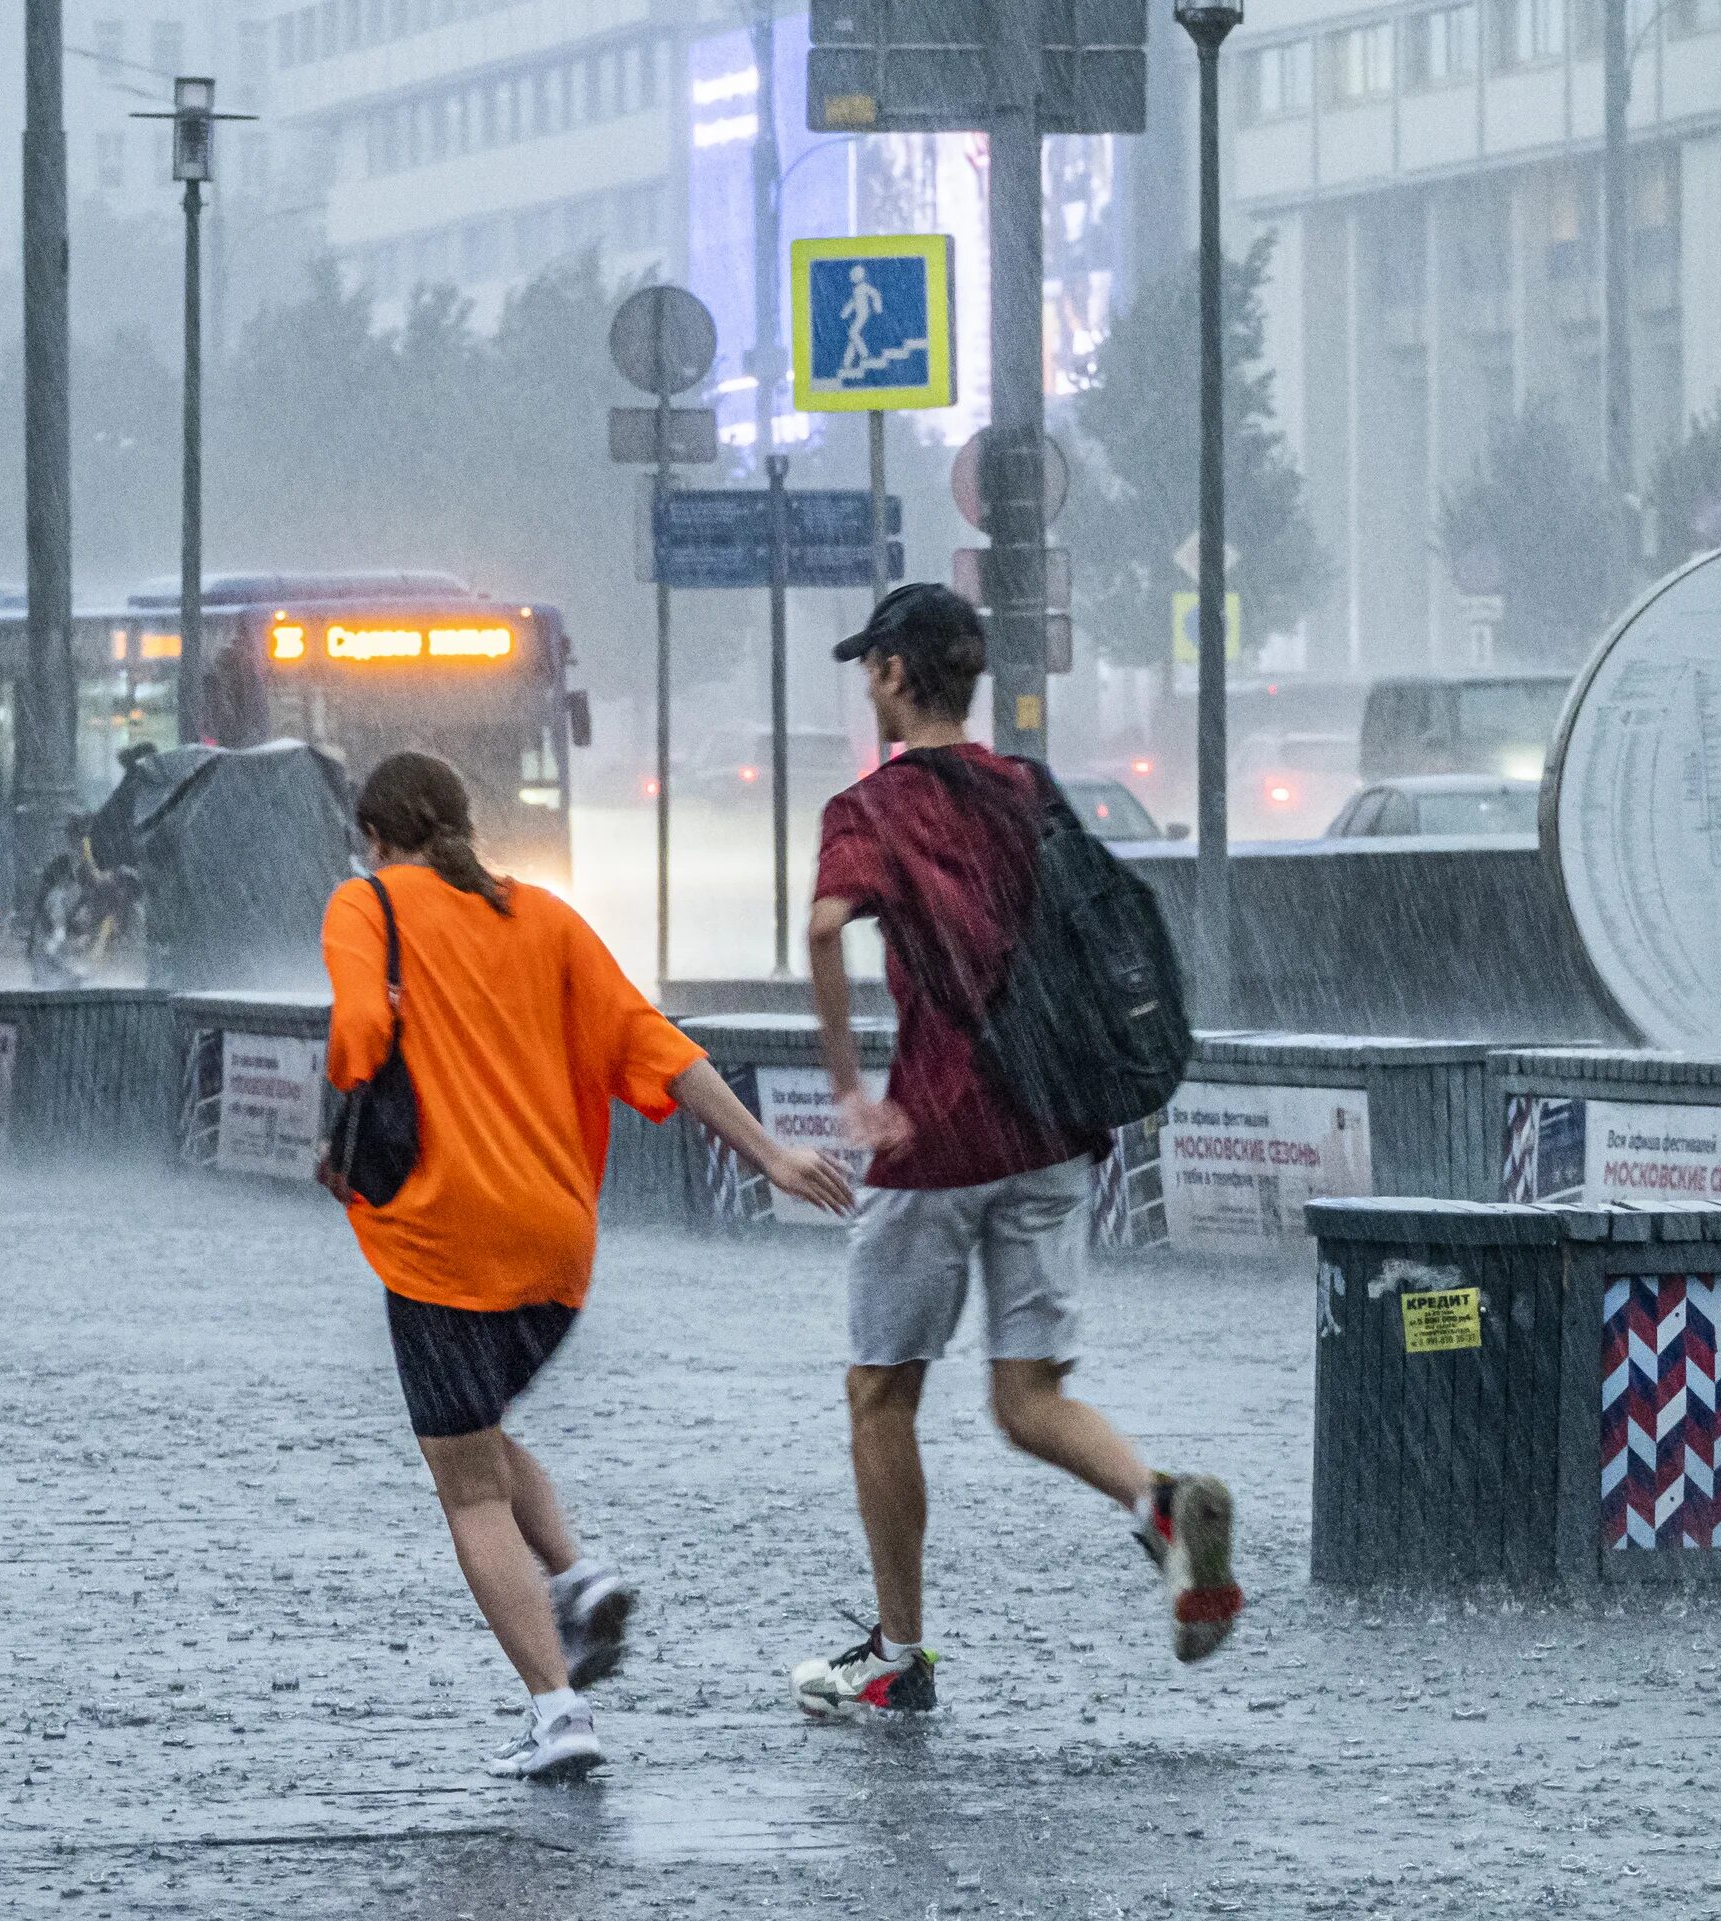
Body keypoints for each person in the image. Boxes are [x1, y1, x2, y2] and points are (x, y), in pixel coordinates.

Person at [323, 751, 852, 1781]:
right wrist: (772, 1151)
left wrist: (355, 1089)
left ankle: (557, 1705)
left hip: (440, 1231)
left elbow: (358, 1033)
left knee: (466, 1485)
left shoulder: (366, 902)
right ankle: (575, 1570)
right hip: (555, 1239)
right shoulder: (549, 920)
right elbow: (655, 1045)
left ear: (379, 837)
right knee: (472, 1432)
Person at [788, 584, 1241, 1719]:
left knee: (880, 1394)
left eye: (869, 669)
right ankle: (1160, 1503)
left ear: (894, 672)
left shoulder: (871, 808)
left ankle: (897, 1653)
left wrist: (852, 1088)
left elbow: (824, 926)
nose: (866, 686)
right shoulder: (1026, 790)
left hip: (938, 1129)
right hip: (1050, 1122)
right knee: (1028, 1392)